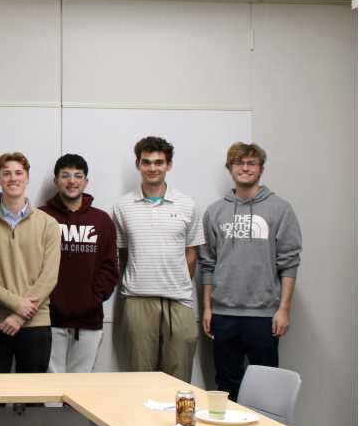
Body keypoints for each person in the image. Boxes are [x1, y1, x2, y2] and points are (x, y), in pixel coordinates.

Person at [199, 142, 302, 401]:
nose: (245, 168)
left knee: (265, 389)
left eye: (251, 163)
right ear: (230, 167)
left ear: (260, 169)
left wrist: (284, 309)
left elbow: (289, 262)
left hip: (264, 315)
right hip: (224, 314)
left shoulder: (280, 209)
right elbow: (208, 263)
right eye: (239, 163)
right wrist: (208, 308)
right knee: (225, 385)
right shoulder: (215, 211)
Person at [112, 136, 204, 382]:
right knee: (141, 377)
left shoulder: (187, 205)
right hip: (137, 298)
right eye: (147, 162)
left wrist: (177, 281)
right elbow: (122, 253)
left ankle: (178, 422)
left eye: (159, 162)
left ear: (169, 165)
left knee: (179, 376)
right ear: (138, 164)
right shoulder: (122, 206)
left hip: (179, 299)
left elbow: (192, 252)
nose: (152, 168)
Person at [0, 152, 60, 374]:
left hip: (36, 324)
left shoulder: (48, 224)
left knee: (33, 400)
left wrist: (20, 315)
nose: (13, 178)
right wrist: (16, 305)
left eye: (18, 173)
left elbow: (49, 277)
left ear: (27, 177)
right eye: (6, 173)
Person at [39, 154, 118, 374]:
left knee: (80, 388)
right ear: (56, 181)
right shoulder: (41, 217)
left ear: (86, 181)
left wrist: (91, 298)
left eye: (78, 176)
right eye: (65, 175)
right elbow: (32, 266)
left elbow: (110, 267)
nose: (72, 181)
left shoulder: (102, 221)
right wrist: (49, 299)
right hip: (48, 318)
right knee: (50, 387)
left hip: (89, 320)